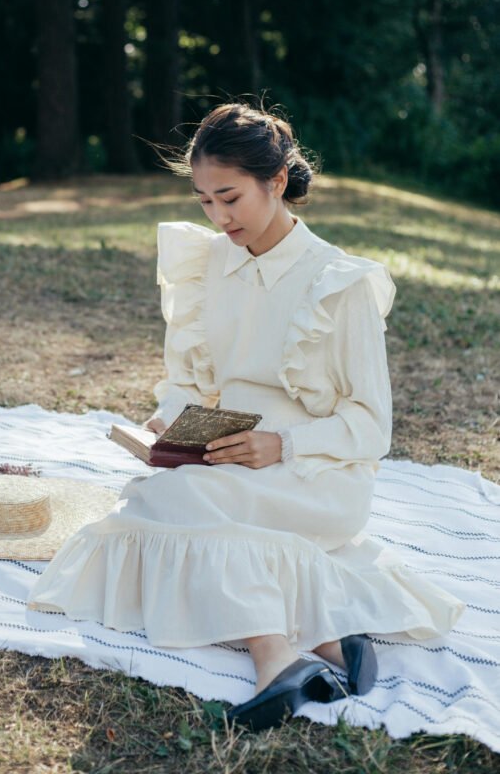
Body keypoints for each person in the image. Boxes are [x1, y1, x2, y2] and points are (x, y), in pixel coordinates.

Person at [29, 102, 464, 731]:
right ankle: (328, 645)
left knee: (175, 505)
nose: (217, 216)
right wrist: (168, 422)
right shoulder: (205, 265)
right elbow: (188, 382)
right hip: (227, 459)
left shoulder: (338, 282)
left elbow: (372, 426)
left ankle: (273, 656)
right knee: (157, 495)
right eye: (205, 200)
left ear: (278, 181)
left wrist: (280, 444)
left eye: (229, 197)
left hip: (316, 473)